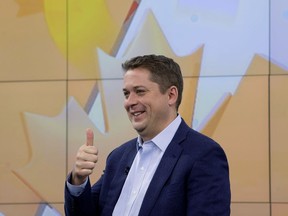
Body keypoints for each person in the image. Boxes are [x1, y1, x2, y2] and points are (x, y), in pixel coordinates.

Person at [64, 54, 231, 216]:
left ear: (171, 95)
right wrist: (78, 179)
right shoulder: (118, 157)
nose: (130, 102)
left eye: (140, 91)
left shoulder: (203, 154)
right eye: (126, 94)